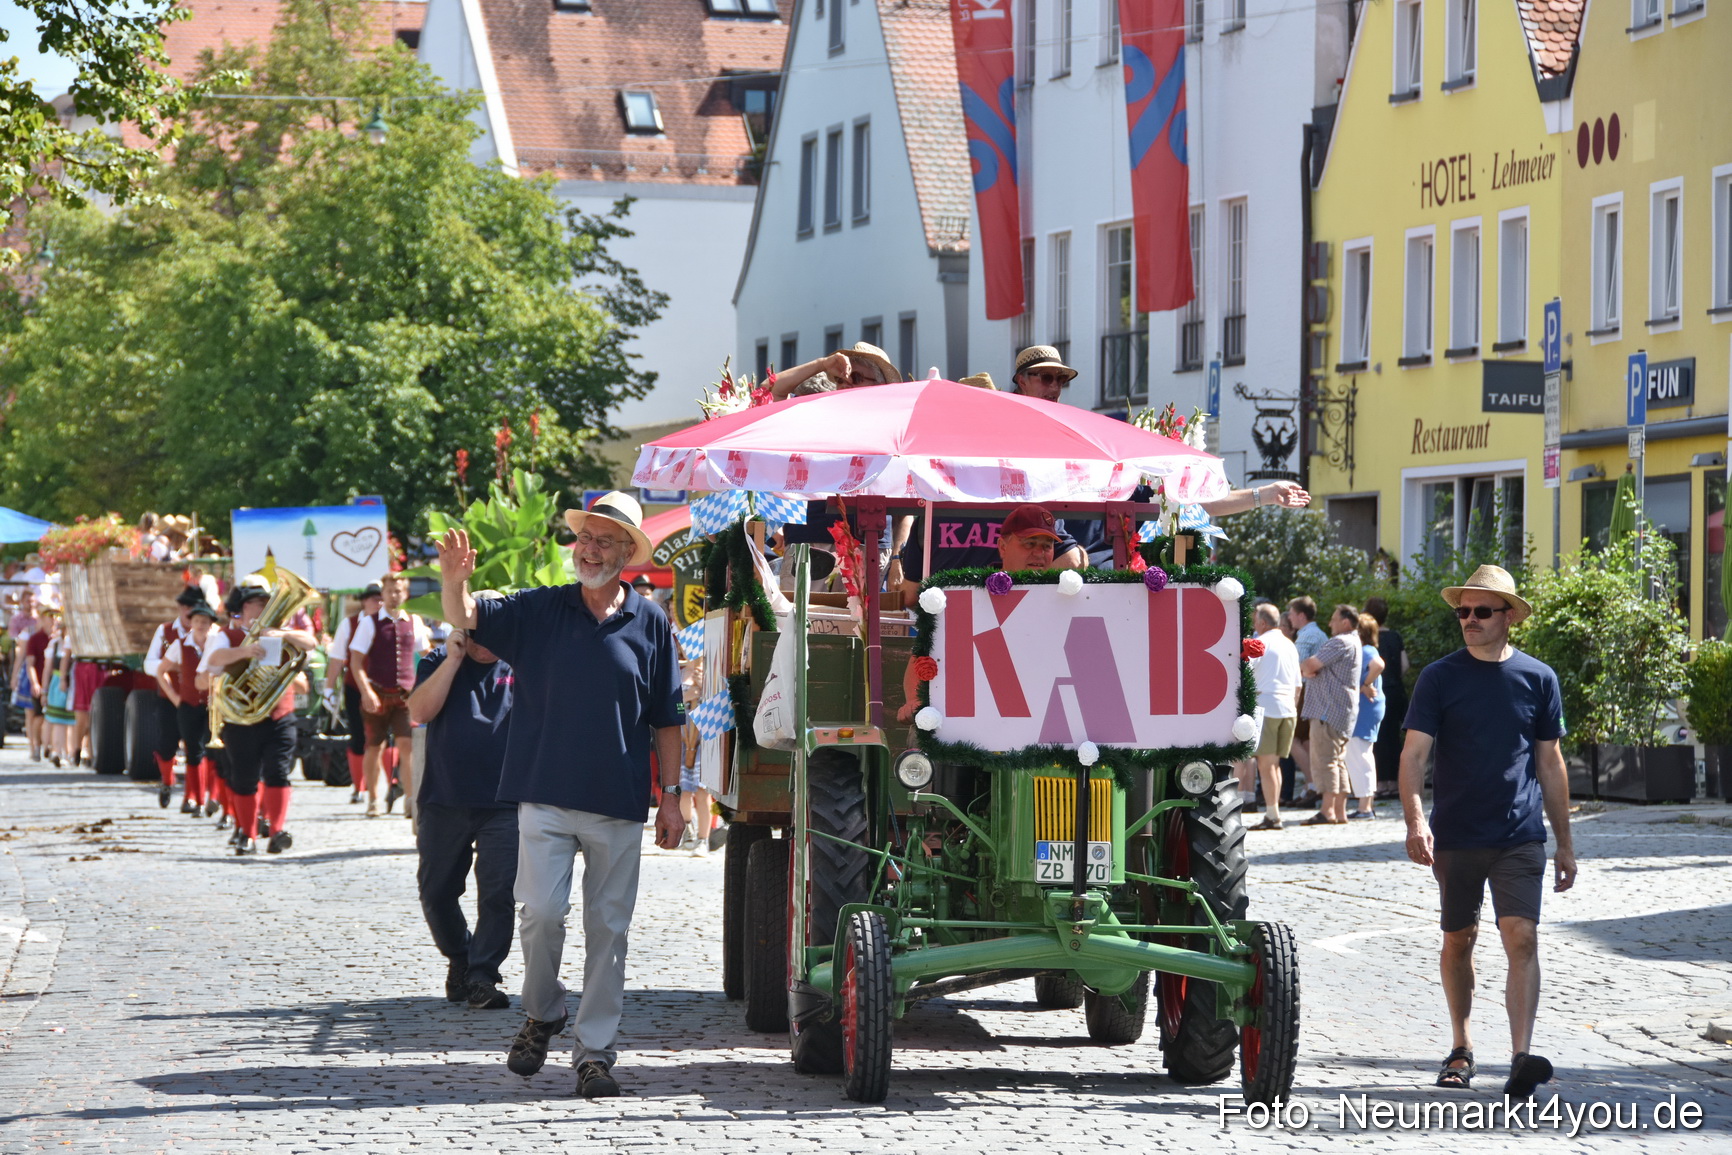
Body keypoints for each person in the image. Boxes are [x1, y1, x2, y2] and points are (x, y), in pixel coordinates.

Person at [436, 489, 685, 1099]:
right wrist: (453, 580)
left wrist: (673, 796)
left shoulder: (651, 621)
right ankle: (543, 1011)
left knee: (608, 930)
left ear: (626, 553)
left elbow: (668, 717)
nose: (589, 550)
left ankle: (595, 1053)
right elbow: (467, 614)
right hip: (543, 794)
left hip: (618, 801)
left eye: (604, 541)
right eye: (584, 538)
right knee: (541, 915)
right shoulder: (540, 608)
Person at [1398, 565, 1575, 1100]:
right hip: (1456, 833)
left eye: (1481, 611)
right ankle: (1461, 1047)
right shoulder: (1439, 678)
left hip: (1520, 833)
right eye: (1463, 611)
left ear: (1508, 616)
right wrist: (1415, 820)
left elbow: (1550, 764)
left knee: (1522, 935)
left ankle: (1521, 1057)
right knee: (1460, 938)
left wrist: (1565, 842)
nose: (1469, 619)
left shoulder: (1539, 678)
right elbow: (1413, 755)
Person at [407, 592, 519, 1011]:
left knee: (498, 891)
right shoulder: (439, 661)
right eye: (477, 632)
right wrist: (453, 659)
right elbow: (420, 712)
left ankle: (482, 976)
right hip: (445, 797)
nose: (486, 641)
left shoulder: (523, 664)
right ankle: (460, 954)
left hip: (504, 802)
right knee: (436, 891)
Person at [897, 505, 1068, 722]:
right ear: (1002, 547)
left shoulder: (1063, 598)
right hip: (974, 721)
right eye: (1029, 543)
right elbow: (922, 656)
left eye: (1047, 546)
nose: (1039, 553)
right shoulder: (970, 596)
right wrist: (914, 701)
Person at [199, 577, 317, 855]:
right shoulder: (226, 635)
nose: (262, 608)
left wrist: (283, 635)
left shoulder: (282, 632)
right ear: (243, 608)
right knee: (244, 778)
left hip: (279, 715)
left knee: (278, 772)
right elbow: (214, 660)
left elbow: (310, 642)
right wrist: (245, 651)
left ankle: (277, 831)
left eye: (265, 603)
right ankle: (248, 834)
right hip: (241, 718)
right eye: (255, 603)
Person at [348, 572, 430, 818]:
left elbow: (427, 655)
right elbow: (355, 662)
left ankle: (411, 800)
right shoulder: (369, 623)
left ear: (405, 594)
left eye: (398, 591)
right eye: (389, 591)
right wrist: (366, 692)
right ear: (382, 594)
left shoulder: (414, 621)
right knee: (374, 746)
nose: (394, 595)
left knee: (408, 745)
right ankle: (373, 799)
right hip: (377, 692)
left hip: (405, 695)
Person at [1298, 604, 1361, 826]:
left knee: (1325, 761)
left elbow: (1309, 665)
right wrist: (1308, 669)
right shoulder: (1354, 642)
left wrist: (1307, 668)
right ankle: (1340, 812)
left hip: (1328, 711)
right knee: (1337, 761)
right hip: (1341, 711)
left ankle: (1327, 811)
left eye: (1333, 619)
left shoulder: (1340, 642)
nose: (1330, 623)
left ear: (1345, 622)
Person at [157, 603, 221, 817]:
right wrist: (175, 697)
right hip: (188, 704)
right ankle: (197, 800)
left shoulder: (218, 643)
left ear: (211, 624)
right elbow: (161, 671)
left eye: (204, 622)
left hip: (213, 706)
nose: (200, 625)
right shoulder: (180, 644)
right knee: (194, 751)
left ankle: (213, 797)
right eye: (196, 621)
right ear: (191, 623)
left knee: (214, 751)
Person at [1241, 602, 1301, 831]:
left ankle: (1272, 815)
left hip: (1266, 706)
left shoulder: (1260, 642)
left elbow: (1244, 673)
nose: (1254, 624)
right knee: (1274, 765)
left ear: (1263, 623)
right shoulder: (1290, 645)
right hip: (1288, 708)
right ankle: (1273, 812)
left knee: (1266, 766)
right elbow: (1298, 685)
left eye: (1255, 620)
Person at [325, 583, 385, 804]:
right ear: (364, 601)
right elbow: (337, 658)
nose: (378, 603)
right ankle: (359, 787)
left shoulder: (392, 622)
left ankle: (391, 785)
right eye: (374, 598)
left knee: (388, 738)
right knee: (358, 737)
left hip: (385, 689)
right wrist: (329, 688)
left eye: (381, 598)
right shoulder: (349, 624)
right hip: (355, 688)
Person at [143, 588, 205, 797]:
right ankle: (167, 780)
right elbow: (149, 664)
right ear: (179, 608)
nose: (188, 611)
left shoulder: (210, 633)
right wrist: (174, 665)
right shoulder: (165, 630)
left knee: (197, 747)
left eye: (193, 607)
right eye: (185, 607)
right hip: (170, 698)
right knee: (167, 743)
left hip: (198, 699)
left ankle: (194, 795)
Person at [1364, 595, 1410, 794]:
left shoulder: (1369, 639)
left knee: (1377, 738)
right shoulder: (1395, 636)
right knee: (1394, 737)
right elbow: (1405, 665)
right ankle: (1395, 782)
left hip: (1375, 691)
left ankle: (1381, 782)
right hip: (1396, 691)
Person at [1344, 613, 1386, 820]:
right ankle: (1365, 804)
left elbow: (1379, 665)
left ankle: (1365, 807)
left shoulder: (1367, 650)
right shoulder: (1367, 649)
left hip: (1365, 708)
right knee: (1360, 753)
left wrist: (1366, 684)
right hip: (1368, 707)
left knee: (1359, 754)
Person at [769, 341, 900, 400]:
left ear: (880, 385)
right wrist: (821, 364)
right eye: (839, 379)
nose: (845, 384)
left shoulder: (892, 421)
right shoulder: (827, 413)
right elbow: (771, 390)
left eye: (856, 378)